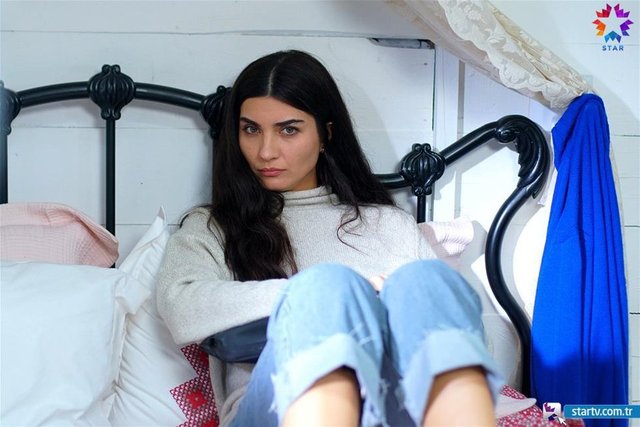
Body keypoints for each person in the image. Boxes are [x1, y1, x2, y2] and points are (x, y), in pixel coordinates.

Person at [157, 50, 503, 427]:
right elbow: (180, 305)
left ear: (326, 134)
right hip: (272, 410)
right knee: (329, 285)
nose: (265, 151)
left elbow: (464, 340)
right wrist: (327, 297)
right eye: (251, 129)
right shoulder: (215, 227)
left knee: (428, 281)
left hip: (392, 408)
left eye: (288, 130)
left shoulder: (391, 225)